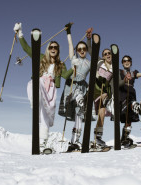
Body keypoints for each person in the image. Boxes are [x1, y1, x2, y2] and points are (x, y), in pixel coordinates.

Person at [13, 23, 73, 152]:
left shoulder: (60, 65)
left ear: (58, 50)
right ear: (48, 48)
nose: (53, 48)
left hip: (50, 90)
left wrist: (74, 67)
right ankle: (35, 101)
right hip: (39, 83)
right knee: (35, 84)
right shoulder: (41, 58)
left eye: (55, 47)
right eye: (51, 46)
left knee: (46, 114)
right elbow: (27, 49)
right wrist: (20, 33)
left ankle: (42, 142)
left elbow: (66, 76)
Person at [62, 23, 91, 152]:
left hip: (83, 87)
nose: (82, 50)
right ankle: (79, 99)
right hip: (72, 86)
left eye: (84, 48)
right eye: (79, 49)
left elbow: (93, 53)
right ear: (77, 51)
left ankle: (74, 142)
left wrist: (89, 39)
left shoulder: (89, 63)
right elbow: (69, 46)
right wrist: (68, 32)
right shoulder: (74, 59)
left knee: (80, 114)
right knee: (80, 100)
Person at [119, 55, 141, 147]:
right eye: (124, 61)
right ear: (122, 63)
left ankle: (124, 137)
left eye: (128, 60)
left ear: (131, 62)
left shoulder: (133, 72)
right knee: (129, 107)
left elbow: (140, 74)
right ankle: (139, 107)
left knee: (129, 117)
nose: (126, 62)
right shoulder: (119, 72)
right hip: (123, 93)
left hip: (131, 93)